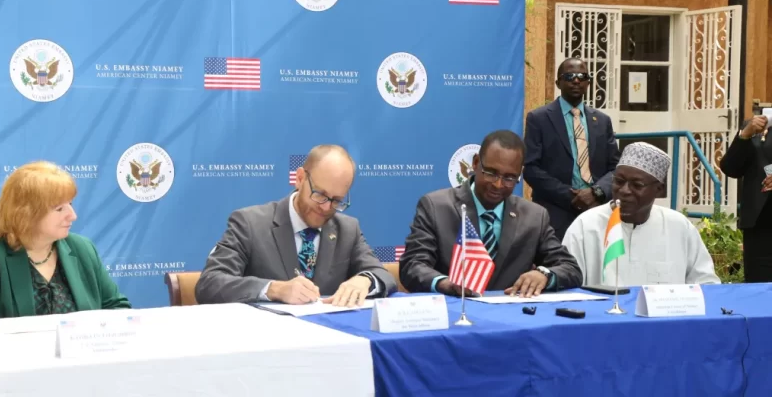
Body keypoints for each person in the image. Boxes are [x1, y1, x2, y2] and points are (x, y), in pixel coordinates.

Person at [195, 145, 396, 307]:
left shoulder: (347, 229)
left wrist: (366, 280)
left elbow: (383, 275)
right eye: (319, 194)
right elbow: (210, 284)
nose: (326, 207)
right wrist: (274, 289)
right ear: (299, 178)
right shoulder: (250, 223)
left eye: (336, 201)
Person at [399, 130, 582, 297]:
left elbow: (571, 269)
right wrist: (445, 284)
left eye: (509, 178)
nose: (498, 185)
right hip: (453, 315)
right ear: (476, 163)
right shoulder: (436, 207)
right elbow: (412, 266)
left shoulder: (534, 216)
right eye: (491, 173)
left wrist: (544, 275)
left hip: (511, 321)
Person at [563, 142, 720, 286]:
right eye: (619, 181)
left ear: (659, 189)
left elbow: (706, 283)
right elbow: (567, 283)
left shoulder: (679, 227)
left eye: (637, 185)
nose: (624, 191)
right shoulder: (586, 226)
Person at [0, 162, 130, 318]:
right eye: (59, 209)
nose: (73, 215)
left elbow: (117, 307)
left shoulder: (81, 247)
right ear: (26, 213)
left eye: (70, 204)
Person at [523, 58, 621, 240]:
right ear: (558, 82)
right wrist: (572, 197)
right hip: (556, 212)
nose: (576, 80)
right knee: (557, 266)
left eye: (582, 76)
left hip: (598, 210)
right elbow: (531, 169)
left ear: (588, 83)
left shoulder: (602, 121)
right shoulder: (539, 118)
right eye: (569, 76)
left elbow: (616, 168)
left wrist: (596, 192)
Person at [719, 114, 772, 282]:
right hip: (759, 226)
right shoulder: (757, 125)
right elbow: (731, 168)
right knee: (758, 289)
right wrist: (744, 135)